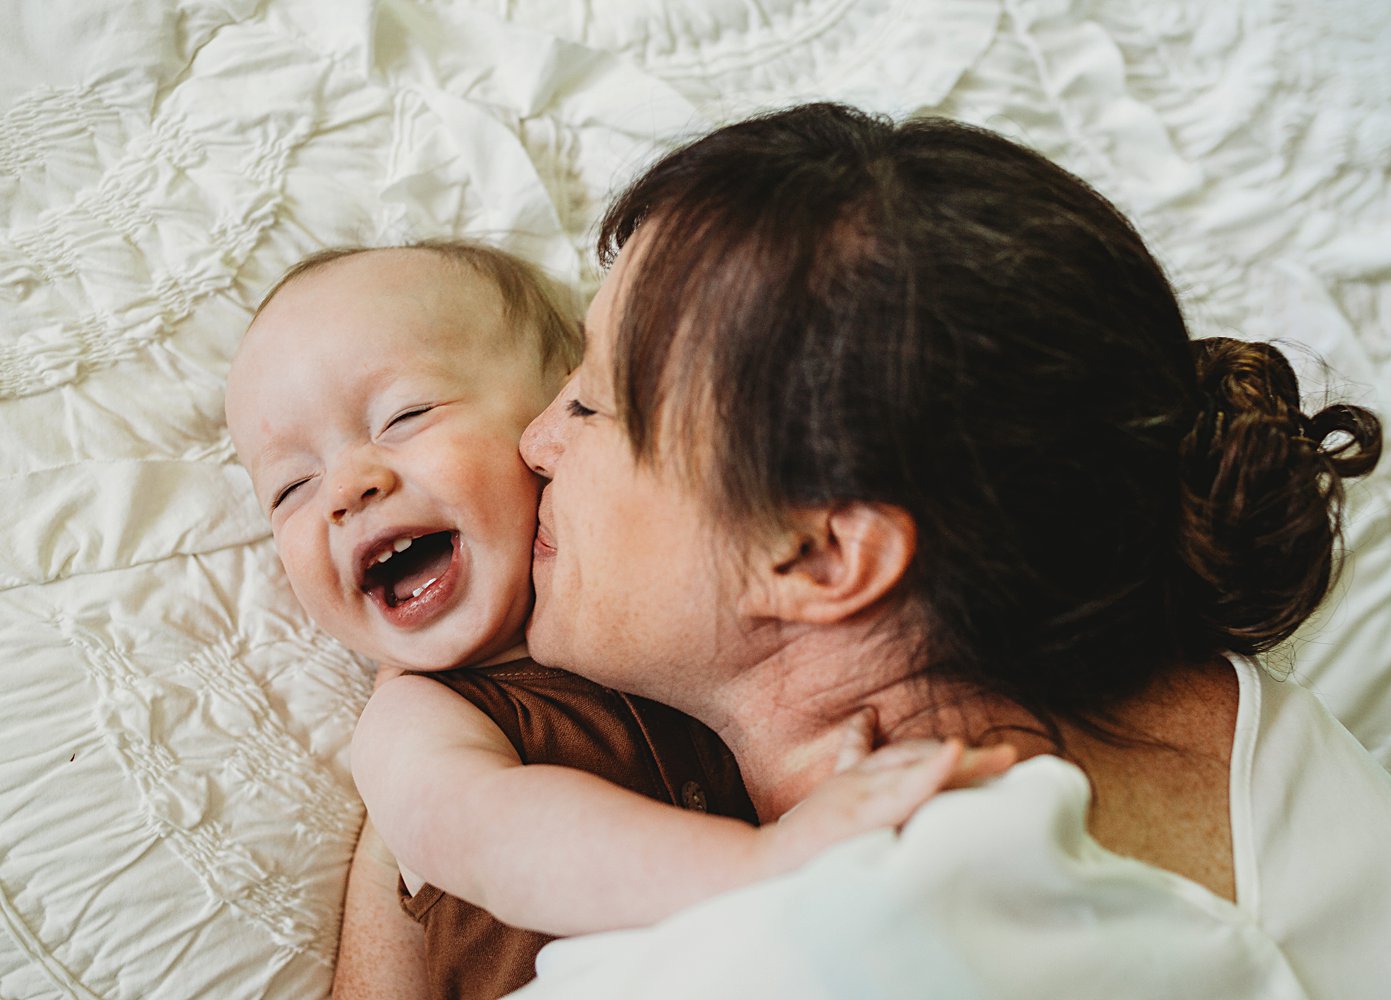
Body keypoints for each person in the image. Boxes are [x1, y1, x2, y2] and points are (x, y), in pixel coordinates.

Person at [353, 104, 1391, 998]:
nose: (537, 443)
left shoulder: (821, 944)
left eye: (595, 406)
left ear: (820, 556)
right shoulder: (1236, 725)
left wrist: (423, 774)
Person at [224, 240, 1012, 999]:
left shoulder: (661, 634)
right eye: (291, 488)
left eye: (405, 414)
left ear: (551, 419)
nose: (347, 488)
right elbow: (490, 835)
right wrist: (762, 866)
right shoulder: (419, 718)